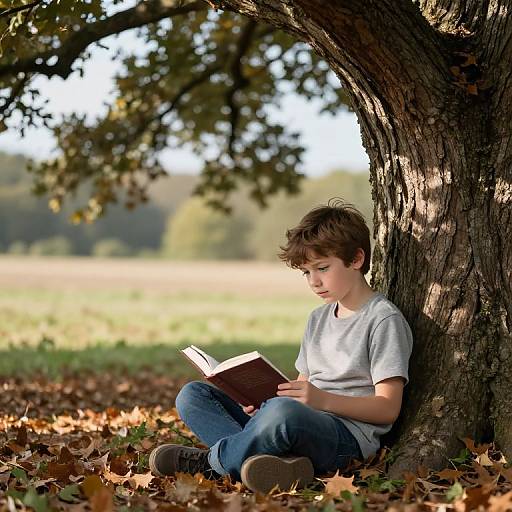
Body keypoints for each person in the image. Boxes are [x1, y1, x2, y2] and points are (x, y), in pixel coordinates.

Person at [149, 199, 413, 494]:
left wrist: (319, 401)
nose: (314, 281)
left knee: (283, 414)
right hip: (298, 421)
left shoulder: (382, 320)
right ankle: (277, 465)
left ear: (356, 259)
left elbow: (388, 408)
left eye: (322, 268)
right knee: (192, 395)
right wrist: (260, 405)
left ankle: (211, 464)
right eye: (306, 272)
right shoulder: (318, 318)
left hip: (344, 438)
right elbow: (301, 386)